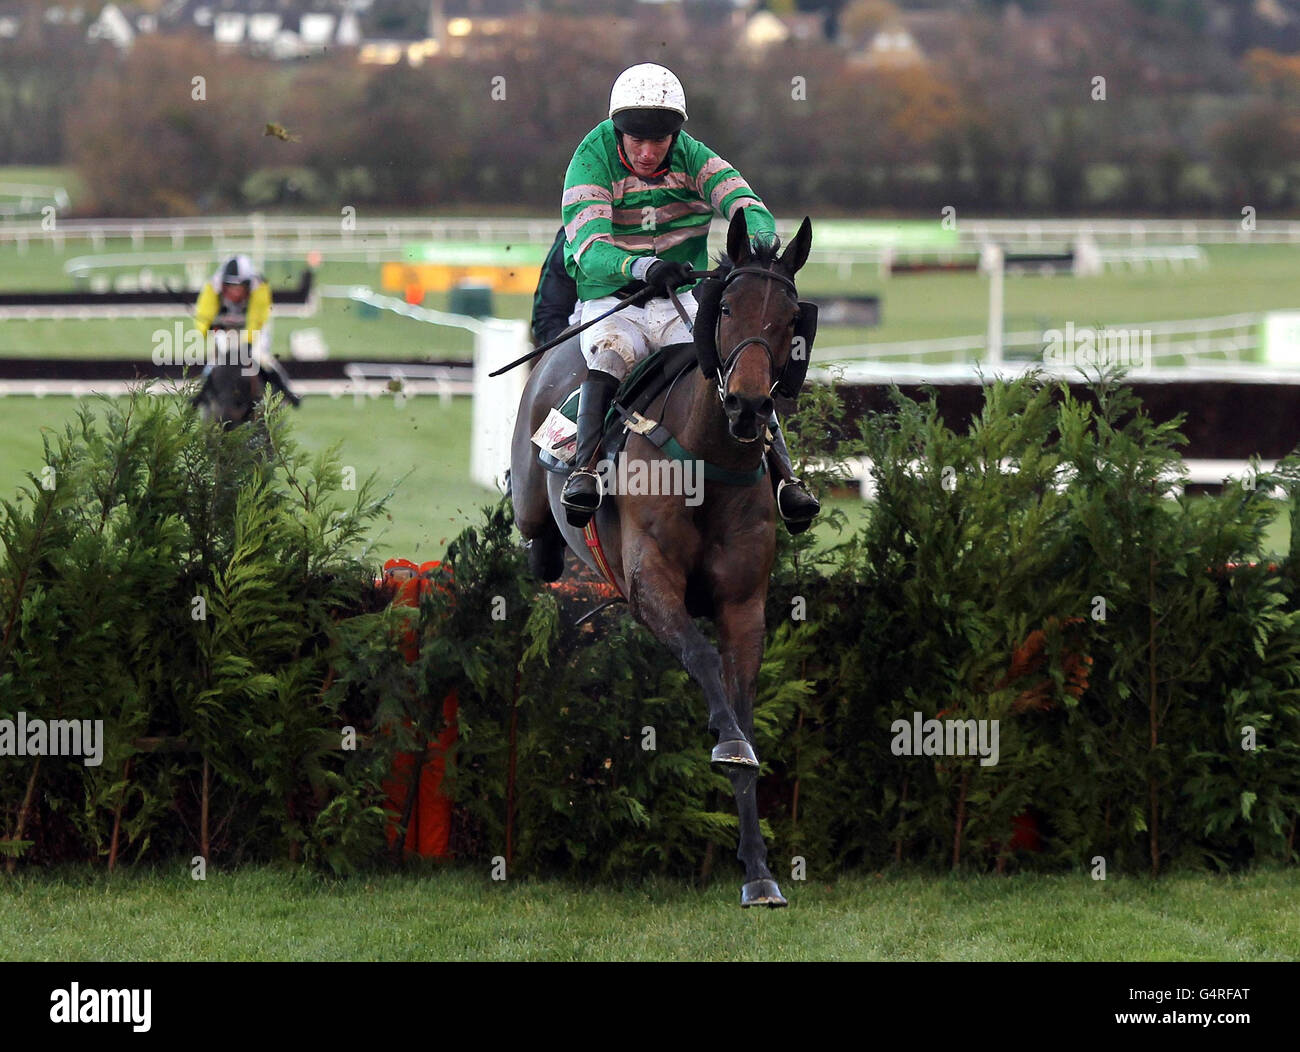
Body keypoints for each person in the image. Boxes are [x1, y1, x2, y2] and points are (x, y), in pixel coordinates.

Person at [557, 62, 818, 530]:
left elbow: (747, 205)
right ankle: (583, 470)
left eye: (659, 140)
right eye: (636, 138)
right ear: (618, 129)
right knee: (614, 356)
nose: (646, 150)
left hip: (681, 300)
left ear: (676, 135)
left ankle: (785, 477)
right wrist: (644, 266)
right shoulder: (590, 159)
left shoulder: (695, 157)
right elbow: (590, 249)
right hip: (610, 299)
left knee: (729, 366)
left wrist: (760, 251)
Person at [193, 254, 301, 407]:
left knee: (261, 357)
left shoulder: (259, 286)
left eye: (239, 287)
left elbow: (256, 319)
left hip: (255, 327)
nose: (235, 291)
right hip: (227, 329)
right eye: (231, 286)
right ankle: (201, 397)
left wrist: (248, 342)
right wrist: (206, 327)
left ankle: (286, 392)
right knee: (218, 361)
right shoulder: (212, 286)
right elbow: (204, 313)